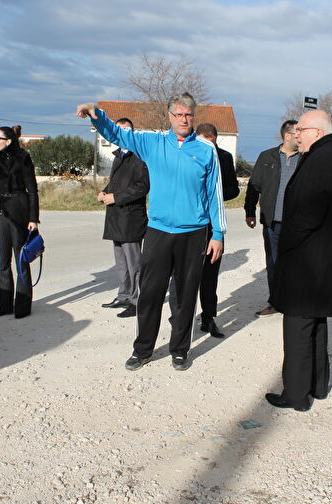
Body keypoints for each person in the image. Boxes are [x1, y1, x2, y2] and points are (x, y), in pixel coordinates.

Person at [76, 93, 226, 372]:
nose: (183, 119)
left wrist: (218, 233)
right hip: (158, 231)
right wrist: (96, 114)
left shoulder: (206, 150)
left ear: (194, 116)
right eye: (178, 114)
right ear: (170, 117)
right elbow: (118, 134)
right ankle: (143, 349)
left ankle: (180, 350)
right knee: (150, 295)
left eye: (188, 114)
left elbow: (213, 194)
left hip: (194, 234)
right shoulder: (152, 142)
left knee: (184, 296)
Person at [265, 110, 332, 412]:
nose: (295, 134)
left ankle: (297, 394)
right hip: (322, 261)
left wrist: (285, 243)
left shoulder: (321, 161)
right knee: (316, 324)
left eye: (300, 130)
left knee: (299, 328)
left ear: (316, 131)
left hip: (306, 262)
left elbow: (307, 216)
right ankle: (317, 385)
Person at [0, 125, 39, 319]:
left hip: (20, 210)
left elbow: (32, 190)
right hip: (0, 211)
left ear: (9, 140)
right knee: (3, 261)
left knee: (21, 259)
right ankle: (4, 303)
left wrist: (33, 218)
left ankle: (23, 305)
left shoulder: (23, 158)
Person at [244, 120, 299, 318]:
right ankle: (275, 302)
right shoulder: (267, 157)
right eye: (297, 132)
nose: (300, 136)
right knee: (274, 263)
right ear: (287, 136)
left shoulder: (305, 158)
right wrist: (249, 212)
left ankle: (293, 302)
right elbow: (253, 186)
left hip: (297, 224)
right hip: (272, 223)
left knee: (294, 264)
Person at [98, 118, 150, 319]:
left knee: (134, 262)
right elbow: (116, 183)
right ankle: (124, 295)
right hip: (115, 217)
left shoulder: (140, 156)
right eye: (119, 130)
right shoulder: (118, 155)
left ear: (132, 133)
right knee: (121, 262)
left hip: (130, 217)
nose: (122, 134)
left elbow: (142, 187)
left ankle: (138, 301)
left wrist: (116, 197)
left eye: (126, 130)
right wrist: (104, 192)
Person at [193, 123, 239, 338]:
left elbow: (233, 189)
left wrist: (215, 195)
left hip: (213, 225)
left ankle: (208, 318)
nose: (206, 146)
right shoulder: (189, 153)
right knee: (184, 275)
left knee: (210, 275)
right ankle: (181, 317)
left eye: (209, 142)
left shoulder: (225, 157)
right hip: (190, 224)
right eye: (202, 141)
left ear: (215, 139)